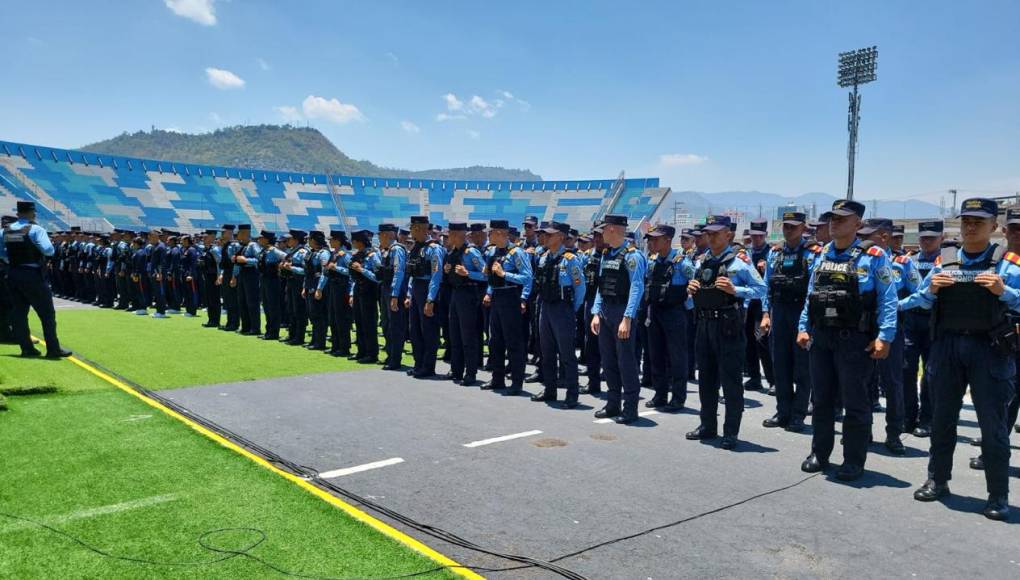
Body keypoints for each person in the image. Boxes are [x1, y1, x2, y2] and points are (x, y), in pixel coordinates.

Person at [910, 198, 1018, 521]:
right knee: (942, 419)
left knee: (993, 427)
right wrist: (930, 291)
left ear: (994, 227)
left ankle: (998, 495)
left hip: (989, 350)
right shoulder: (944, 261)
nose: (971, 226)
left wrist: (1006, 293)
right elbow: (920, 301)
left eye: (979, 221)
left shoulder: (1007, 264)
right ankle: (937, 479)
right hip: (948, 348)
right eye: (966, 220)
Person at [797, 199, 897, 481]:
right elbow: (811, 295)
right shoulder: (822, 254)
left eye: (842, 219)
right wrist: (803, 326)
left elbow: (888, 300)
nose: (835, 223)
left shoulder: (874, 256)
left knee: (855, 402)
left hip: (854, 340)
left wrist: (885, 337)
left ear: (858, 224)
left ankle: (853, 460)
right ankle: (820, 452)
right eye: (832, 218)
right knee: (823, 400)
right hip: (822, 337)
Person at [685, 215, 766, 448]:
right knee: (706, 379)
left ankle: (731, 431)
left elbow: (761, 288)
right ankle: (707, 425)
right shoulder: (702, 261)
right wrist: (691, 291)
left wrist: (736, 289)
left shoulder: (739, 261)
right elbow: (695, 295)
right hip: (704, 324)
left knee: (730, 381)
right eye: (708, 233)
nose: (710, 237)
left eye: (715, 233)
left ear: (728, 235)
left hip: (728, 326)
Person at [858, 217, 918, 455]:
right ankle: (864, 431)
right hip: (863, 328)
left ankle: (894, 434)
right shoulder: (861, 258)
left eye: (867, 235)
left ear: (884, 237)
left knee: (893, 384)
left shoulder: (903, 263)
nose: (862, 239)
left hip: (892, 330)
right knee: (863, 382)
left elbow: (920, 292)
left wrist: (895, 305)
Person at [760, 211, 818, 432]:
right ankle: (783, 411)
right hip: (780, 313)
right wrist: (766, 314)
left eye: (793, 227)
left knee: (802, 368)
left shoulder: (813, 254)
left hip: (801, 314)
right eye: (786, 226)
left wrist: (806, 323)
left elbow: (813, 290)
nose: (788, 230)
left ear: (803, 228)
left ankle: (798, 414)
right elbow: (767, 287)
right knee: (780, 365)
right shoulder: (775, 253)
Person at [590, 214, 646, 423]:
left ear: (612, 229)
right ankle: (613, 403)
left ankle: (630, 408)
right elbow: (601, 286)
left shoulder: (633, 256)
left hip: (622, 312)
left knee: (626, 362)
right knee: (608, 360)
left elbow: (636, 287)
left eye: (603, 229)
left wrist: (628, 318)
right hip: (606, 312)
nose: (601, 233)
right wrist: (596, 312)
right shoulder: (606, 254)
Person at [0, 201, 71, 358]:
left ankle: (26, 348)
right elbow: (48, 250)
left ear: (17, 213)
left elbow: (2, 254)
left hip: (12, 274)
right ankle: (53, 349)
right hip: (32, 275)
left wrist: (11, 260)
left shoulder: (4, 231)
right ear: (33, 213)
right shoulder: (36, 229)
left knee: (18, 313)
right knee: (47, 314)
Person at [531, 221, 586, 408]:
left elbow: (580, 288)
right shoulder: (543, 258)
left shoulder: (570, 259)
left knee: (567, 354)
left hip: (563, 310)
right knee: (546, 352)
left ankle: (572, 394)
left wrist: (571, 309)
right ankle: (550, 390)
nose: (545, 237)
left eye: (550, 234)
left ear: (561, 237)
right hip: (545, 308)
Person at [642, 224, 692, 410]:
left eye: (656, 239)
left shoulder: (681, 263)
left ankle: (678, 398)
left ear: (668, 240)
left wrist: (686, 308)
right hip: (655, 312)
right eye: (650, 239)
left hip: (674, 313)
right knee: (656, 355)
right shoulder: (653, 261)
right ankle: (660, 395)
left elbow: (697, 283)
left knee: (677, 357)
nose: (651, 242)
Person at [901, 220, 942, 437]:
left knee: (930, 373)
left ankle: (926, 419)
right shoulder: (909, 260)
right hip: (910, 321)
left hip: (933, 322)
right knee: (906, 369)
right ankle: (908, 416)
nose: (926, 241)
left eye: (931, 238)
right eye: (923, 237)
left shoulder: (946, 262)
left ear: (941, 239)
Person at [482, 219, 533, 394]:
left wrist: (505, 274)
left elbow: (527, 277)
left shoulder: (516, 252)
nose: (489, 235)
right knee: (495, 341)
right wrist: (489, 291)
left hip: (511, 297)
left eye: (492, 232)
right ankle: (498, 379)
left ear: (500, 233)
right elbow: (491, 277)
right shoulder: (493, 252)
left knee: (513, 342)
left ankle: (517, 383)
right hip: (497, 296)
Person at [440, 222, 487, 385]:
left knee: (468, 336)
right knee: (454, 334)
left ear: (459, 234)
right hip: (455, 293)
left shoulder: (471, 252)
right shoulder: (452, 252)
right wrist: (447, 271)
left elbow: (485, 274)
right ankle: (456, 369)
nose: (448, 237)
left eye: (451, 234)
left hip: (468, 294)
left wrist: (469, 273)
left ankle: (471, 372)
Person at [405, 217, 444, 378]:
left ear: (421, 228)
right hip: (416, 289)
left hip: (428, 289)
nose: (411, 231)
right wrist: (409, 294)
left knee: (428, 331)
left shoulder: (433, 248)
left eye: (413, 228)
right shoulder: (416, 247)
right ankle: (418, 363)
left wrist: (430, 300)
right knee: (415, 330)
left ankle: (428, 367)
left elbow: (436, 275)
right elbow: (412, 274)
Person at [744, 220, 775, 393]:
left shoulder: (770, 253)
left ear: (765, 236)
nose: (756, 239)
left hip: (762, 303)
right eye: (753, 236)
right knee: (748, 340)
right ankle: (754, 377)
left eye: (759, 236)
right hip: (748, 302)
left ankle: (772, 380)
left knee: (762, 340)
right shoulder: (746, 254)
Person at [378, 223, 408, 370]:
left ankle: (395, 359)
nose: (379, 238)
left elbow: (398, 272)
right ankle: (390, 355)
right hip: (385, 289)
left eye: (381, 235)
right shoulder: (387, 250)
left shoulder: (397, 250)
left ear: (388, 235)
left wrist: (395, 294)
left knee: (395, 326)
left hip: (393, 291)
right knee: (386, 324)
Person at [349, 229, 381, 363]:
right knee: (359, 322)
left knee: (369, 323)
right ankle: (361, 350)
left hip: (369, 291)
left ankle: (371, 353)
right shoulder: (357, 254)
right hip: (358, 289)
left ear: (359, 242)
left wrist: (361, 269)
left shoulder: (373, 254)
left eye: (354, 241)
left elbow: (378, 276)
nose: (352, 243)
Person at [325, 230, 353, 357]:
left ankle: (344, 347)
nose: (329, 241)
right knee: (332, 317)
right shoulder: (334, 254)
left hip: (341, 289)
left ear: (337, 240)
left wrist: (336, 268)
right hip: (333, 287)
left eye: (332, 239)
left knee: (341, 319)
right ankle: (335, 345)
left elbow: (350, 271)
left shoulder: (345, 255)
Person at [232, 224, 262, 335]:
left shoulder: (253, 245)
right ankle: (245, 326)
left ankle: (255, 328)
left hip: (251, 274)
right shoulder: (241, 246)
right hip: (242, 274)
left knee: (252, 302)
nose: (237, 235)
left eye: (239, 233)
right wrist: (234, 275)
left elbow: (259, 259)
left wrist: (245, 260)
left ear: (245, 233)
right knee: (242, 301)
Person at [256, 230, 286, 340]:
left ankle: (274, 332)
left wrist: (280, 265)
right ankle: (268, 330)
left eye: (261, 238)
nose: (259, 240)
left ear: (266, 239)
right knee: (267, 306)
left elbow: (287, 257)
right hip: (264, 279)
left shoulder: (274, 250)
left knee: (273, 307)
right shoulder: (264, 250)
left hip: (272, 280)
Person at [304, 231, 331, 351]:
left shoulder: (323, 253)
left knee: (319, 315)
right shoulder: (312, 252)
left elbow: (324, 273)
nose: (308, 241)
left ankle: (320, 341)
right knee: (313, 314)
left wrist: (319, 289)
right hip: (311, 285)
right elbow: (308, 272)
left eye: (310, 239)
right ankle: (315, 339)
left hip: (318, 287)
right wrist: (305, 287)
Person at [280, 230, 308, 345]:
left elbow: (305, 270)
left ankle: (299, 336)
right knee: (291, 309)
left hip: (299, 283)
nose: (287, 241)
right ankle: (292, 334)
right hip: (291, 282)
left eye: (290, 239)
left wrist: (291, 268)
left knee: (299, 310)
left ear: (296, 239)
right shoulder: (292, 251)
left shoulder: (302, 252)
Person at [199, 229, 222, 327]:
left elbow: (219, 264)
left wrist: (218, 277)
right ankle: (211, 319)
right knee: (209, 299)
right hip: (207, 277)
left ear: (212, 237)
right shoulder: (206, 249)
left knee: (214, 299)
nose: (203, 239)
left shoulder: (215, 249)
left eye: (205, 237)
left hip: (214, 277)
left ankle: (215, 320)